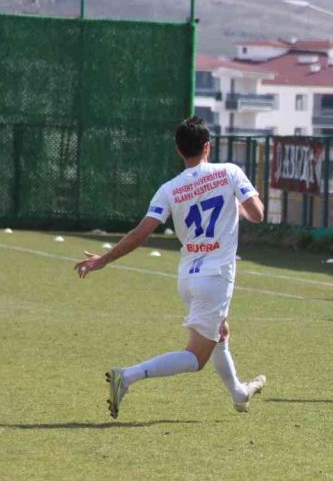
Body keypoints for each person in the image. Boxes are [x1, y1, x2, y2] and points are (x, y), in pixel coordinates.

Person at [74, 117, 267, 418]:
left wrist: (104, 259)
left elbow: (141, 233)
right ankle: (127, 375)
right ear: (207, 146)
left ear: (179, 150)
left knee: (221, 331)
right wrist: (235, 206)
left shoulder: (170, 189)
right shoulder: (230, 172)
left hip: (187, 278)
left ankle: (239, 394)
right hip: (214, 278)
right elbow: (257, 214)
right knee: (195, 358)